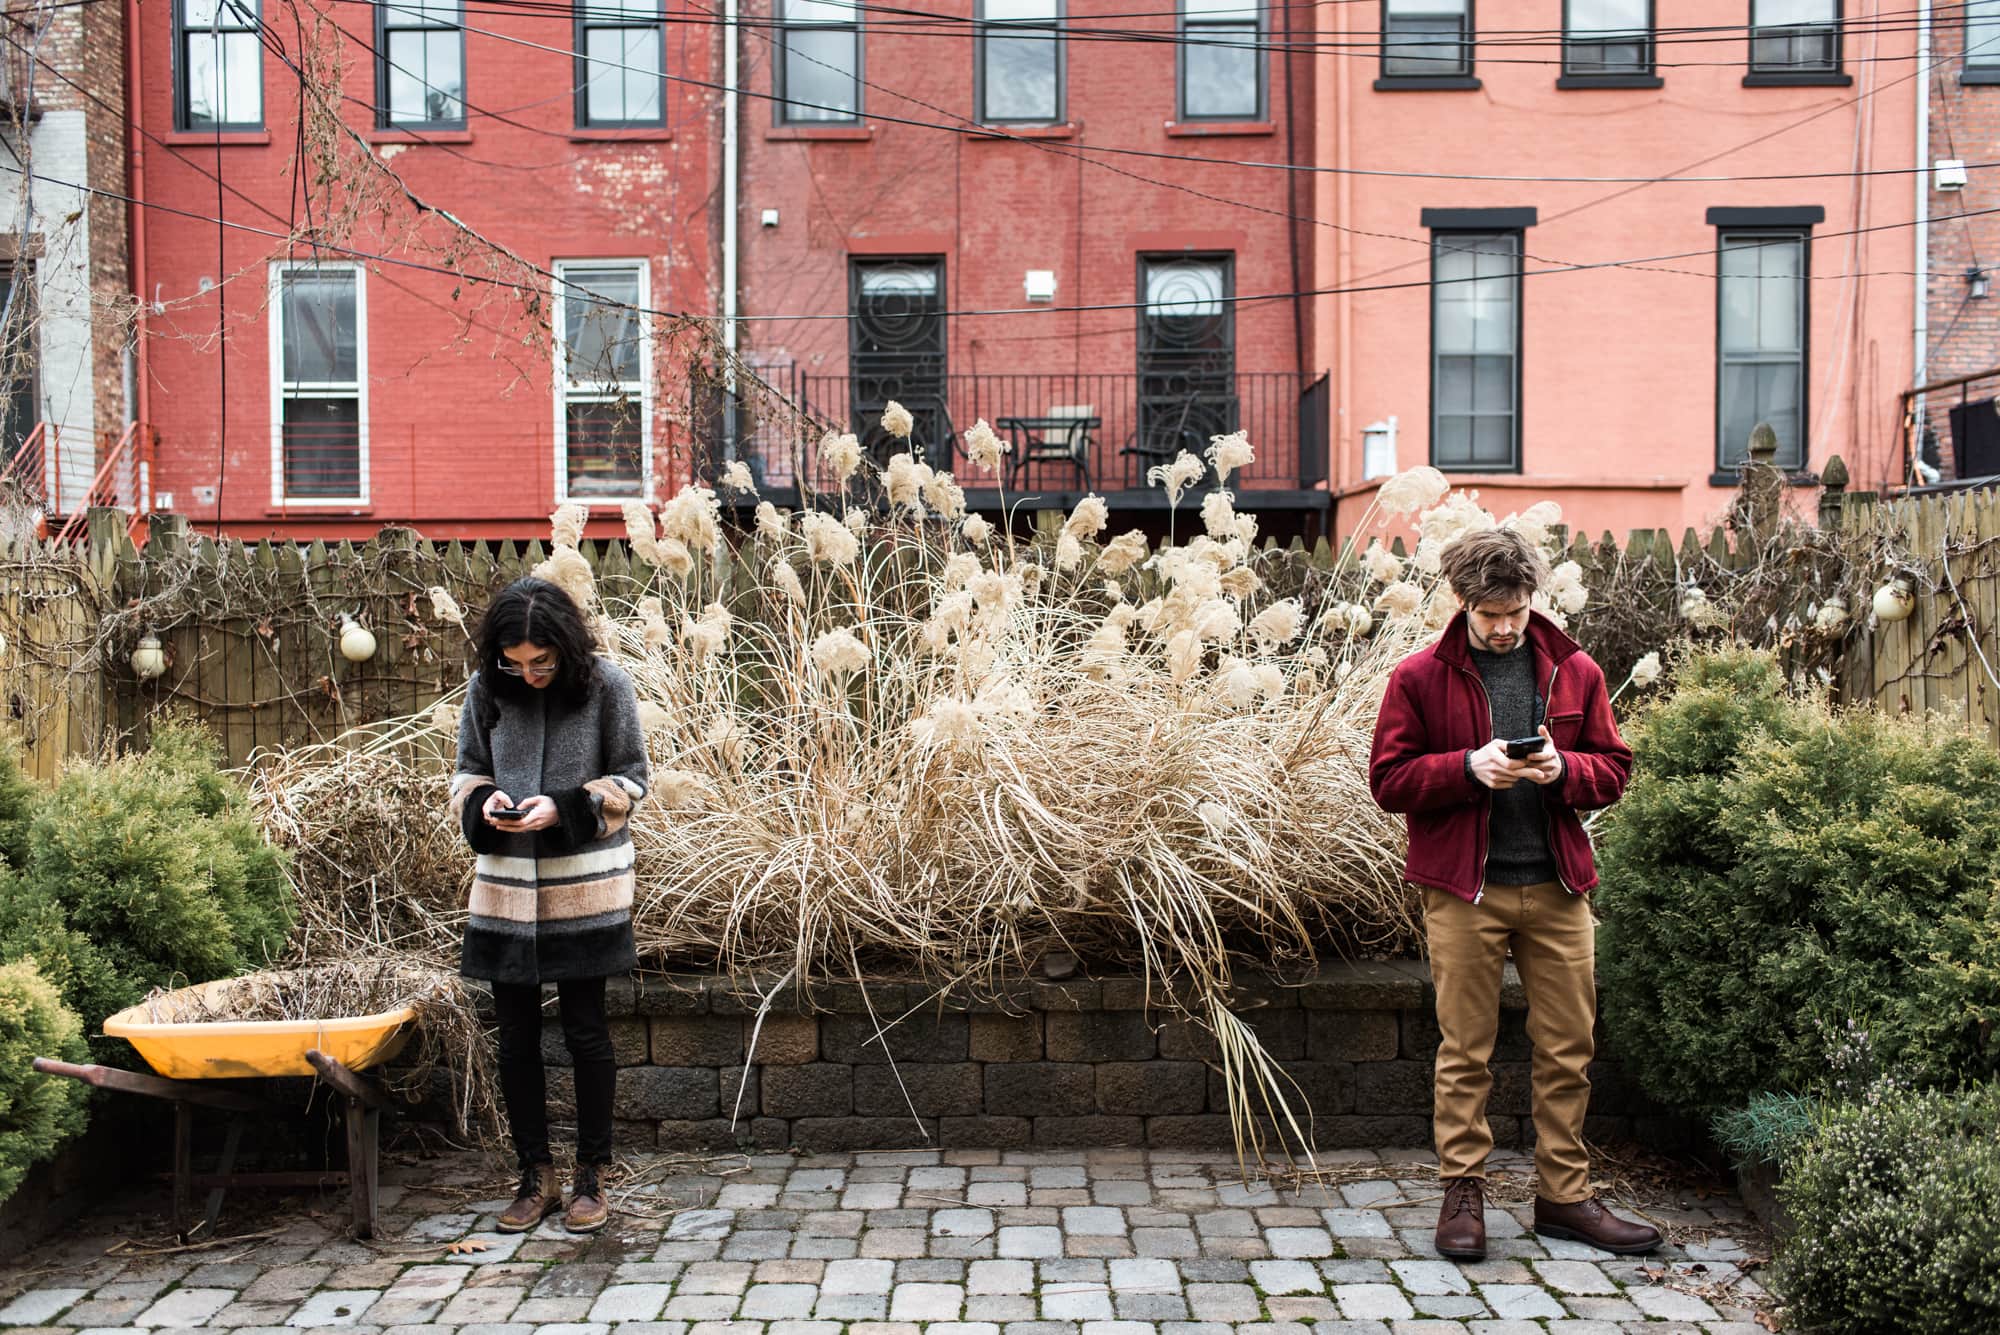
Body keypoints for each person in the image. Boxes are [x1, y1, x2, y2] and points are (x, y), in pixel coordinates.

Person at [1367, 528, 1659, 1262]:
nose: (1502, 626)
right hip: (1464, 891)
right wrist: (1467, 767)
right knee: (1466, 1049)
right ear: (1462, 601)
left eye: (1516, 611)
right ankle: (1462, 1190)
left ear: (1534, 598)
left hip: (1559, 888)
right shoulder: (1418, 677)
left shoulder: (1576, 669)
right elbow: (1388, 781)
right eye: (1488, 612)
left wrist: (1565, 771)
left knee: (1570, 1048)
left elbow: (1615, 770)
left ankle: (1564, 1196)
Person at [450, 576, 650, 1235]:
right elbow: (466, 773)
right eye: (516, 661)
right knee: (514, 1037)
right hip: (506, 886)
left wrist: (562, 808)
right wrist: (487, 807)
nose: (529, 673)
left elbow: (632, 779)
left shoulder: (608, 686)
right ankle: (534, 1173)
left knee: (586, 1029)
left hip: (585, 884)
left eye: (542, 661)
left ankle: (592, 1173)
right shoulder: (487, 687)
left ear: (565, 647)